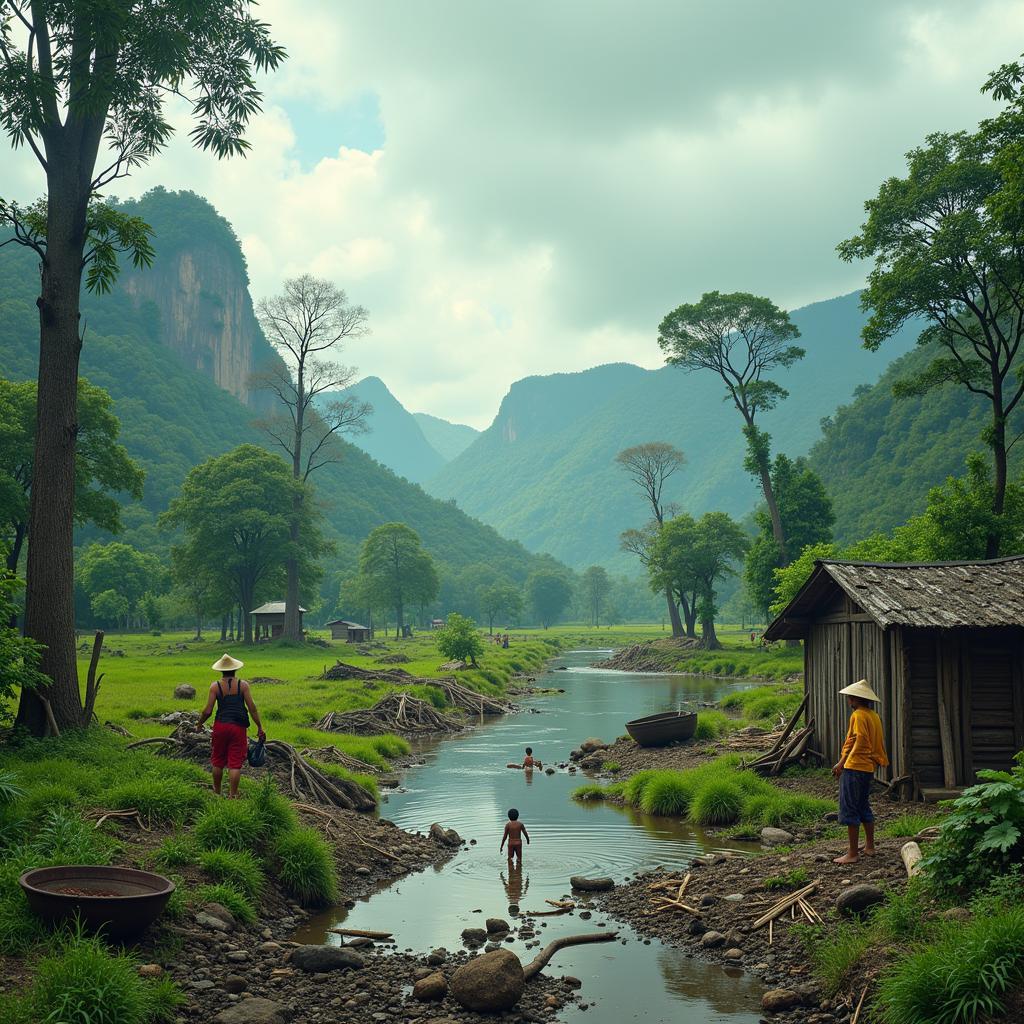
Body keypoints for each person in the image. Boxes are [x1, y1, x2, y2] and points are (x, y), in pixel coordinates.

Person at [832, 679, 889, 864]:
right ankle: (870, 847)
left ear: (855, 699)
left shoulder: (858, 715)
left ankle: (852, 853)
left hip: (855, 766)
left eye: (850, 698)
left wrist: (843, 763)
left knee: (850, 808)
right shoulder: (874, 716)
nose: (849, 701)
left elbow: (858, 741)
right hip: (868, 768)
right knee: (863, 805)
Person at [196, 654, 265, 799]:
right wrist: (259, 726)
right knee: (234, 763)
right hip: (238, 728)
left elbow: (208, 710)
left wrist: (200, 723)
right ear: (235, 670)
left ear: (221, 670)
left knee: (218, 760)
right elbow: (252, 708)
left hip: (220, 726)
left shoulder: (215, 686)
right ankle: (233, 795)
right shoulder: (243, 685)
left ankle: (216, 792)